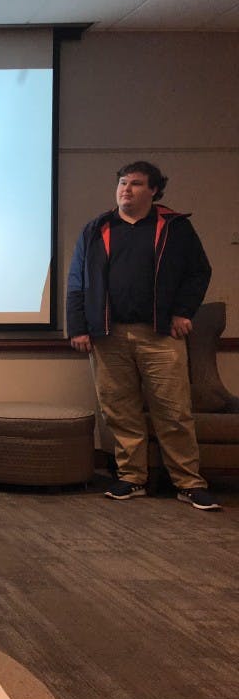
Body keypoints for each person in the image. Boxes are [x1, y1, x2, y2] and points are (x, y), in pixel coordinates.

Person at [66, 160, 220, 511]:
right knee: (119, 411)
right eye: (122, 183)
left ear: (153, 190)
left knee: (173, 410)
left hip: (160, 336)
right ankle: (132, 478)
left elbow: (199, 272)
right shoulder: (97, 228)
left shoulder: (175, 227)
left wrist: (183, 311)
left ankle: (188, 483)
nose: (126, 190)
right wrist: (77, 327)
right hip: (108, 335)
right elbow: (77, 283)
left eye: (136, 184)